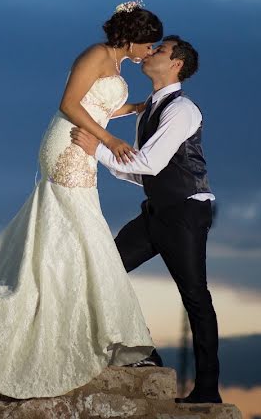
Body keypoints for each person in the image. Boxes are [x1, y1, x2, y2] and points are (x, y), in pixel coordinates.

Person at [0, 0, 160, 398]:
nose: (150, 52)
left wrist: (133, 109)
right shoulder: (96, 54)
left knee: (75, 226)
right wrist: (108, 139)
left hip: (84, 143)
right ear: (133, 39)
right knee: (81, 223)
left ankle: (68, 309)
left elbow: (99, 106)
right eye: (149, 45)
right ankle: (60, 311)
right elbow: (68, 103)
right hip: (66, 145)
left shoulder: (115, 64)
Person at [70, 35, 221, 404]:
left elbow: (149, 162)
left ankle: (207, 391)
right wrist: (103, 156)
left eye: (161, 50)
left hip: (185, 212)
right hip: (154, 213)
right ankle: (141, 352)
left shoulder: (182, 109)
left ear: (176, 64)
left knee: (195, 297)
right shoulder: (150, 108)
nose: (150, 52)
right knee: (106, 270)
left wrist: (99, 150)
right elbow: (142, 172)